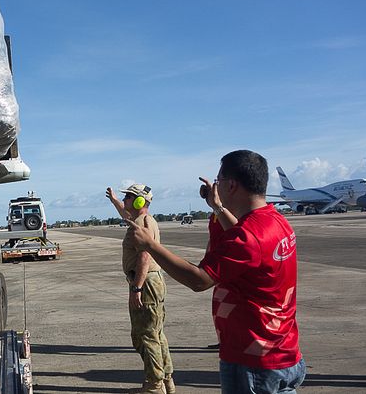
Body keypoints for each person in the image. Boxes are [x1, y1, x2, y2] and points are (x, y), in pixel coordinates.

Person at [125, 150, 305, 393]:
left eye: (218, 180)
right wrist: (217, 207)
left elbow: (199, 280)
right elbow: (244, 240)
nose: (215, 185)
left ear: (232, 185)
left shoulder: (248, 237)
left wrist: (151, 245)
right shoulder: (275, 221)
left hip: (252, 361)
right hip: (282, 351)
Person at [106, 185, 175, 394]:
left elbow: (145, 256)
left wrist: (136, 288)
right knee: (156, 333)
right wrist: (114, 200)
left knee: (145, 336)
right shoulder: (142, 220)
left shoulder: (142, 224)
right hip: (149, 281)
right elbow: (124, 212)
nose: (126, 200)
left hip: (145, 282)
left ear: (139, 201)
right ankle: (166, 381)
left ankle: (155, 385)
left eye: (129, 197)